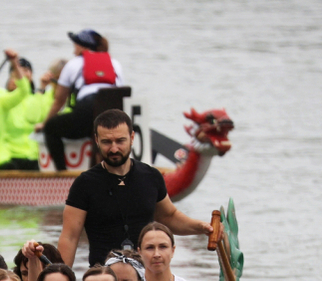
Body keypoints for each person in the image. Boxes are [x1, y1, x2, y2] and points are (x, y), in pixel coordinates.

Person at [57, 109, 214, 267]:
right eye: (106, 142)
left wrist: (201, 227)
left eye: (120, 141)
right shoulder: (84, 184)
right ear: (96, 140)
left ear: (132, 138)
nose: (114, 149)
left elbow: (169, 216)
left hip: (146, 277)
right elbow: (69, 237)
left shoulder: (151, 176)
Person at [40, 29, 125, 171]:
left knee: (51, 128)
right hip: (113, 113)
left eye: (75, 47)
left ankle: (63, 175)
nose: (73, 53)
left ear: (83, 47)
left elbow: (59, 101)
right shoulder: (115, 63)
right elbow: (122, 92)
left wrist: (45, 123)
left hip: (87, 109)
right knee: (98, 130)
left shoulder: (73, 64)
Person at [2, 57, 47, 170]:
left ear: (31, 75)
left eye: (26, 71)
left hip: (35, 156)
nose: (22, 75)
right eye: (18, 71)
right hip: (11, 156)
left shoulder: (40, 97)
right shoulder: (4, 99)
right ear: (10, 77)